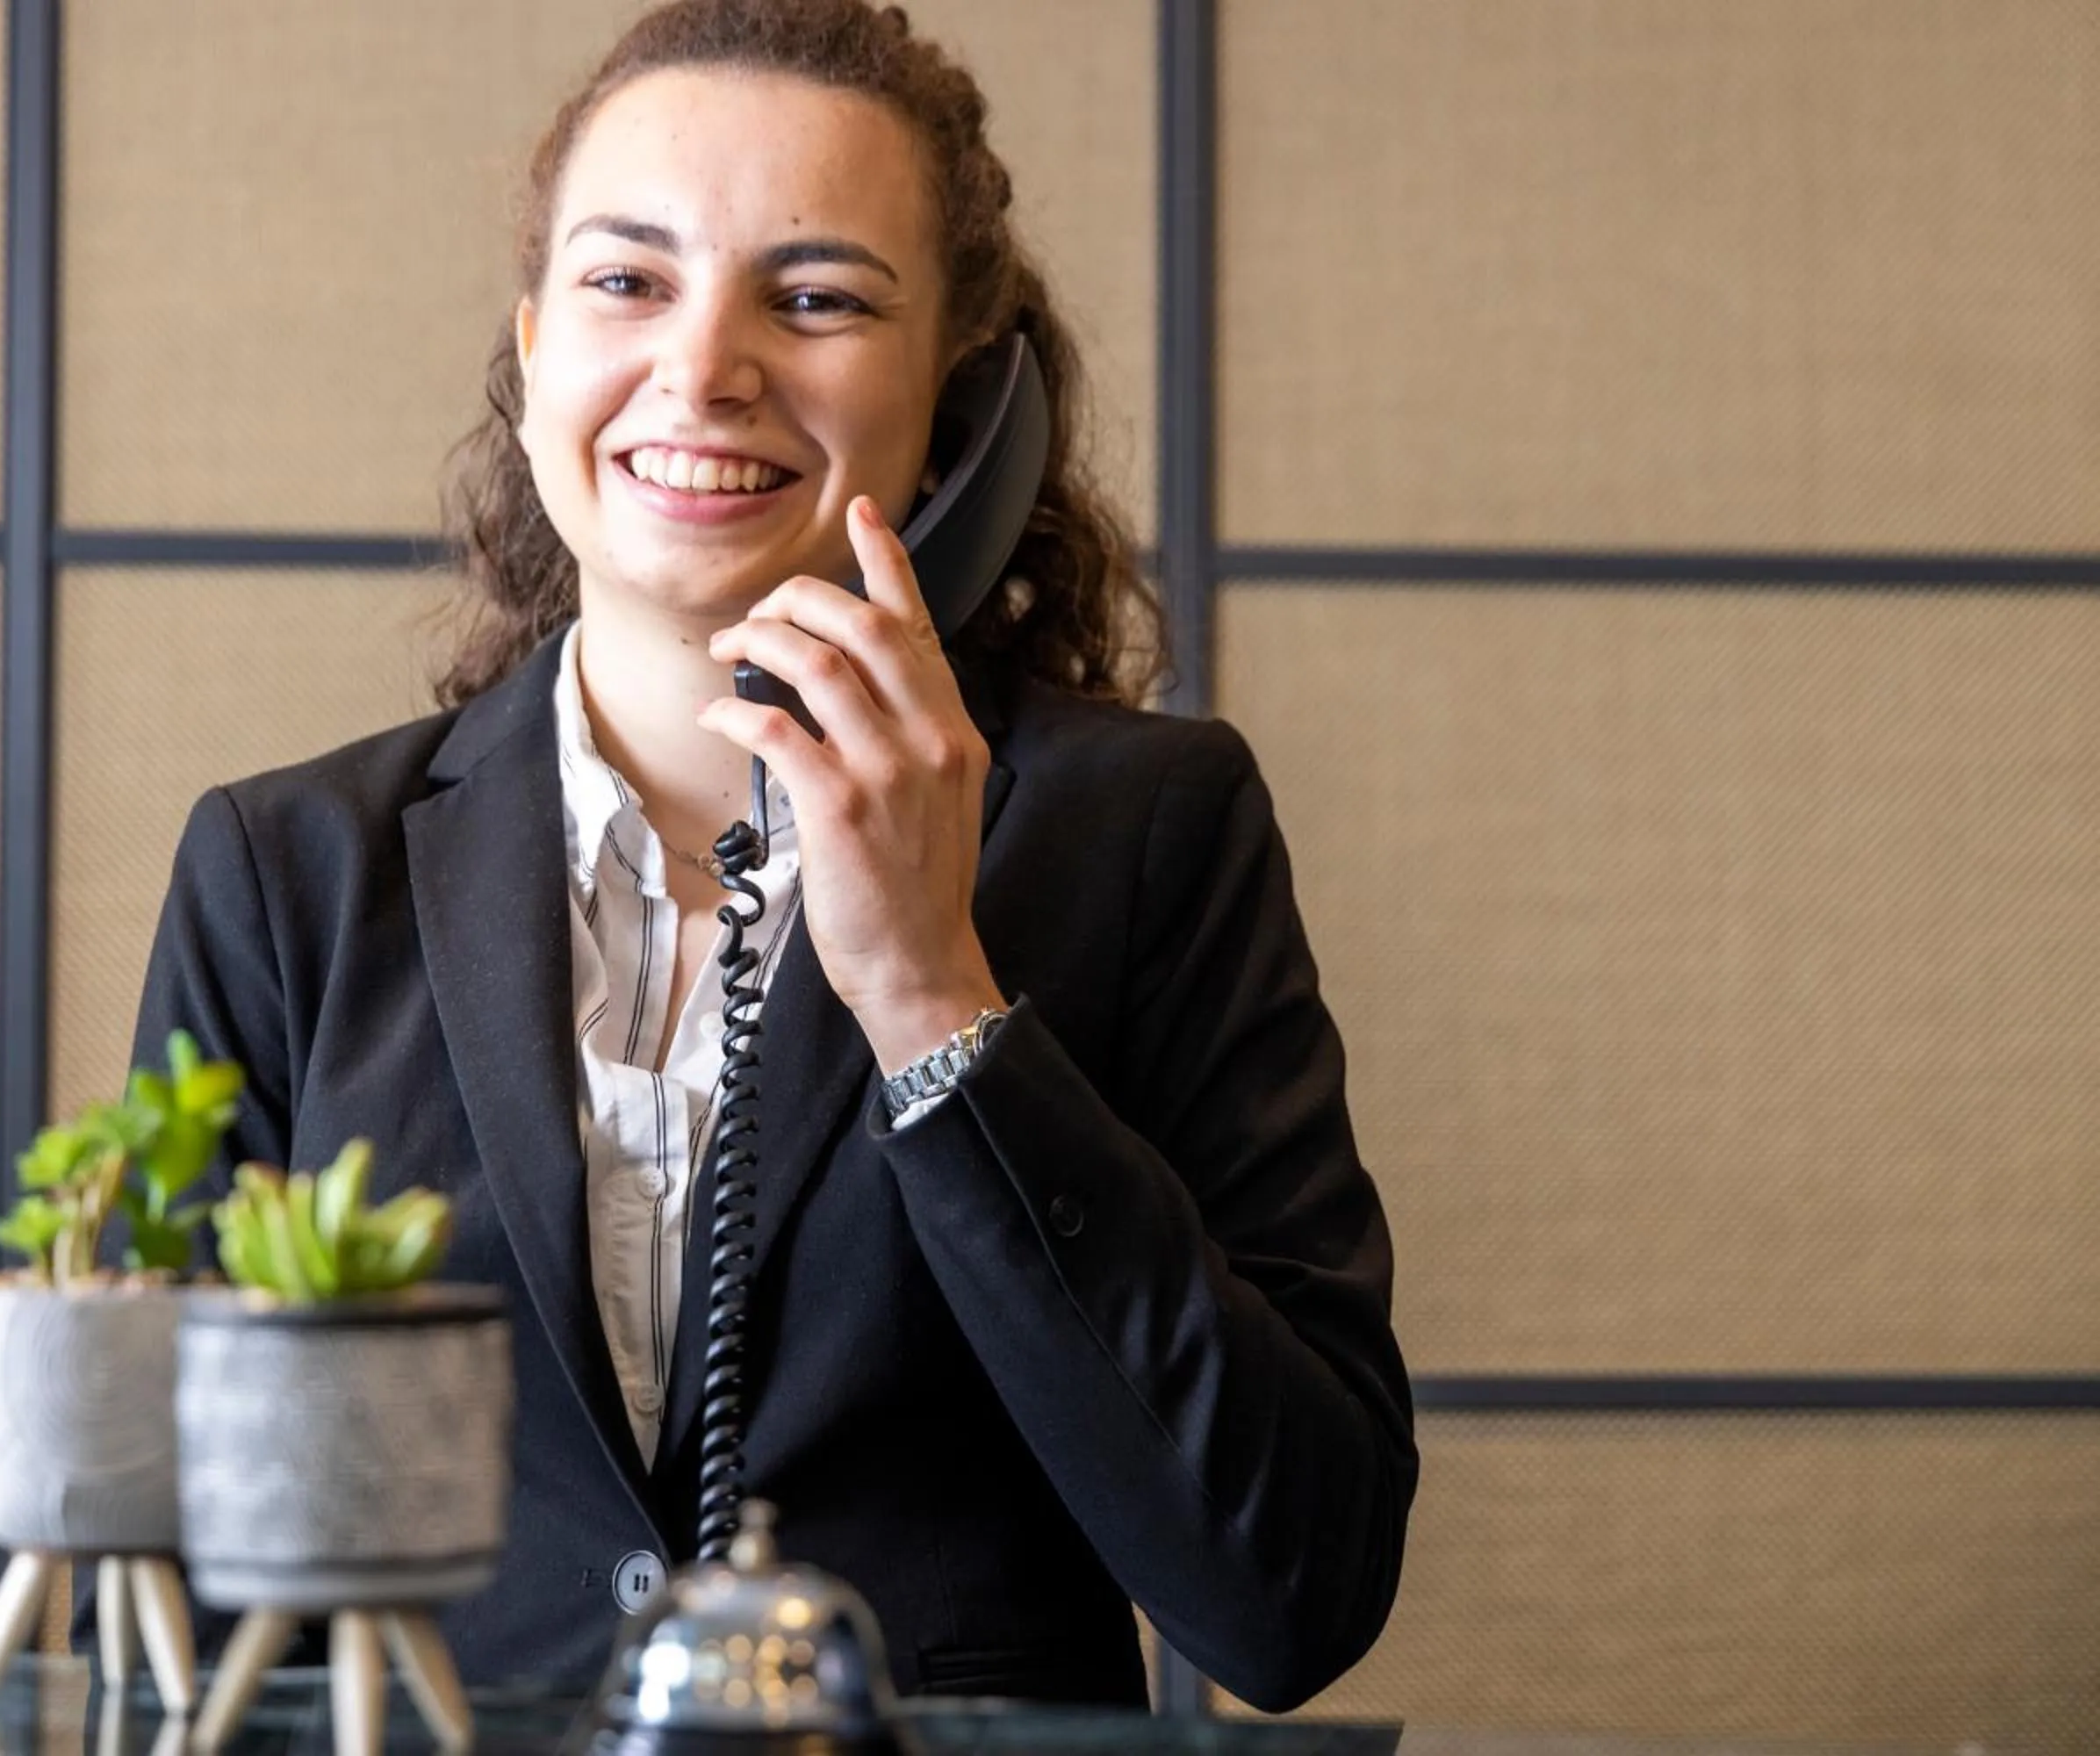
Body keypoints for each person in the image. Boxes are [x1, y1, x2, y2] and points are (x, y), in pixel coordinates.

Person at [125, 0, 1415, 1713]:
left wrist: (932, 998)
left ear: (963, 415)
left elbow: (1294, 1592)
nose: (704, 362)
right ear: (534, 364)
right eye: (628, 280)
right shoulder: (284, 876)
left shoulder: (1152, 834)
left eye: (814, 297)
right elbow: (124, 1600)